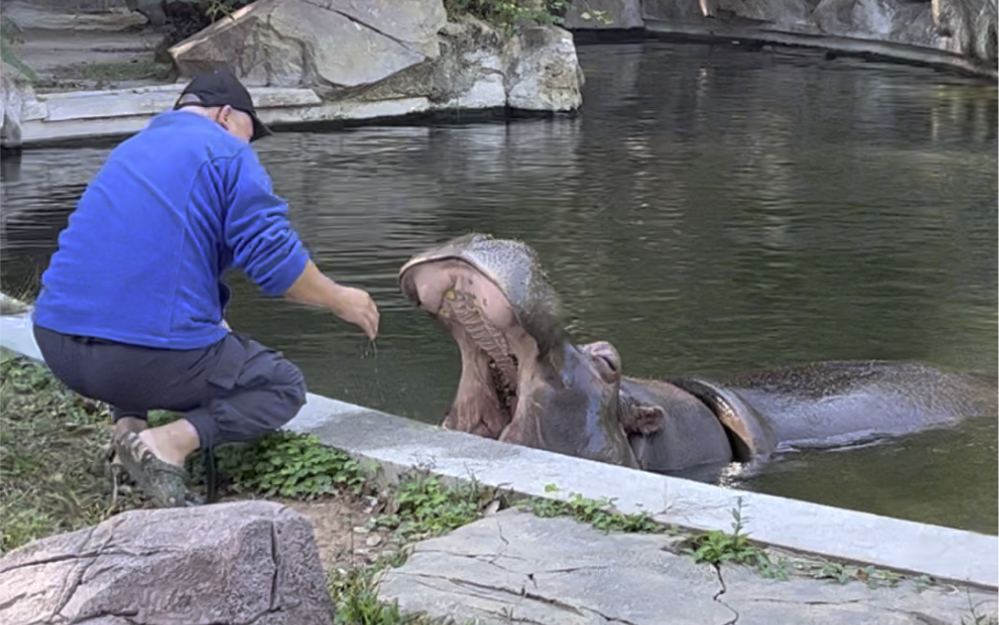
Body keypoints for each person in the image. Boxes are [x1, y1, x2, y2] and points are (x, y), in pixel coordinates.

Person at [31, 67, 380, 508]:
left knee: (138, 324)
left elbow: (139, 254)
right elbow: (275, 263)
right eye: (247, 134)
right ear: (226, 116)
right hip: (134, 360)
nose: (248, 146)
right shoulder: (226, 153)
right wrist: (339, 298)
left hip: (58, 344)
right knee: (282, 386)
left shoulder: (130, 150)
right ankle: (169, 444)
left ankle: (128, 430)